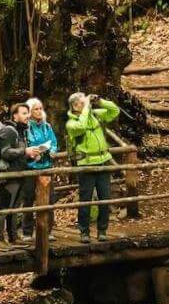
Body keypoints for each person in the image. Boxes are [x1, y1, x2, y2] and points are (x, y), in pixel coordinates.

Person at [65, 92, 120, 243]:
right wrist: (86, 108)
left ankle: (102, 230)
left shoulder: (95, 115)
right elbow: (81, 127)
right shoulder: (71, 124)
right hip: (86, 165)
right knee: (86, 200)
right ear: (76, 106)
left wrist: (100, 101)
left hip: (103, 162)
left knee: (105, 199)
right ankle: (84, 232)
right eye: (82, 102)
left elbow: (115, 111)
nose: (86, 104)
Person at [0, 102, 35, 248]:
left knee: (14, 206)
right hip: (9, 175)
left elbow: (18, 153)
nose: (27, 116)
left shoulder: (21, 131)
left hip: (19, 173)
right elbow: (6, 152)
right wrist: (24, 152)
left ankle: (13, 237)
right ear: (15, 116)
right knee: (5, 206)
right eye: (24, 113)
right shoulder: (9, 131)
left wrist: (31, 155)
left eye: (28, 113)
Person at [23, 98, 59, 238]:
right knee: (28, 199)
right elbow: (25, 144)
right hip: (31, 167)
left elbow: (54, 141)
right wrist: (32, 152)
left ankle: (47, 231)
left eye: (40, 108)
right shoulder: (27, 128)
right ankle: (27, 232)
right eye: (36, 109)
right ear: (30, 112)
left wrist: (53, 150)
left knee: (49, 200)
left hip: (46, 166)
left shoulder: (47, 126)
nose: (39, 111)